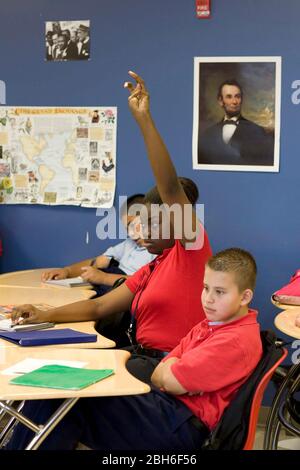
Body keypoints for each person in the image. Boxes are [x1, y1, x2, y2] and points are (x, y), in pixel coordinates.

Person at [11, 71, 212, 382]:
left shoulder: (191, 252)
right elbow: (98, 308)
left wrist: (144, 119)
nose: (141, 233)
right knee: (54, 378)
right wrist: (44, 315)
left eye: (152, 224)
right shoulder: (154, 267)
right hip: (138, 359)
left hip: (166, 371)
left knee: (64, 391)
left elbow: (170, 188)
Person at [6, 248, 262, 450]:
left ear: (244, 297)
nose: (208, 299)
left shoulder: (235, 340)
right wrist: (170, 369)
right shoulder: (212, 323)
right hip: (168, 407)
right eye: (205, 288)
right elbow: (162, 372)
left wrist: (170, 369)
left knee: (70, 399)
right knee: (61, 386)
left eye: (219, 292)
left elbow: (170, 379)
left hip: (181, 427)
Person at [41, 193, 155, 297]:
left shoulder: (157, 253)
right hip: (106, 288)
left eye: (133, 225)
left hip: (126, 296)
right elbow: (97, 262)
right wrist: (67, 271)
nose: (131, 234)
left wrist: (104, 278)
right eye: (127, 229)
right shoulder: (128, 244)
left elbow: (148, 283)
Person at [198, 79, 274, 166]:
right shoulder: (208, 134)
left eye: (237, 96)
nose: (234, 102)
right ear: (220, 101)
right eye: (229, 97)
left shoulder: (257, 131)